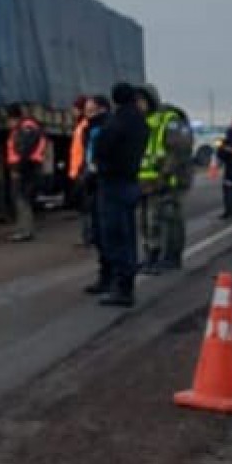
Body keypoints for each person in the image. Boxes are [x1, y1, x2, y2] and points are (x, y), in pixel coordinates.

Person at [90, 82, 149, 306]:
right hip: (131, 180)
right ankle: (126, 282)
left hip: (113, 182)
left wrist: (99, 166)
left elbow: (102, 148)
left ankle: (122, 287)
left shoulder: (117, 122)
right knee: (128, 234)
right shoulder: (140, 122)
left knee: (114, 235)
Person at [136, 85, 194, 275]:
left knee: (170, 219)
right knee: (148, 221)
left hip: (169, 181)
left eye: (141, 101)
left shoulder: (170, 121)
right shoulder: (144, 122)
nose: (138, 105)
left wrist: (164, 176)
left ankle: (171, 257)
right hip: (146, 182)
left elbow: (178, 152)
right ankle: (152, 254)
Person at [3, 105, 50, 243]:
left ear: (14, 118)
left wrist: (18, 169)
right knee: (22, 200)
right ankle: (24, 230)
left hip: (26, 169)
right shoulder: (24, 128)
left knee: (22, 200)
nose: (8, 123)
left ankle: (25, 231)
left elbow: (24, 150)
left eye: (9, 120)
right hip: (26, 168)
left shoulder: (26, 128)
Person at [78, 95, 109, 249]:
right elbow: (87, 150)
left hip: (101, 173)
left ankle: (101, 238)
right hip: (89, 171)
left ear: (102, 109)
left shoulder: (106, 126)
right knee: (90, 207)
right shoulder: (87, 128)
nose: (87, 113)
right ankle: (94, 237)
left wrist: (96, 167)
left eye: (91, 110)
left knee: (101, 208)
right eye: (86, 110)